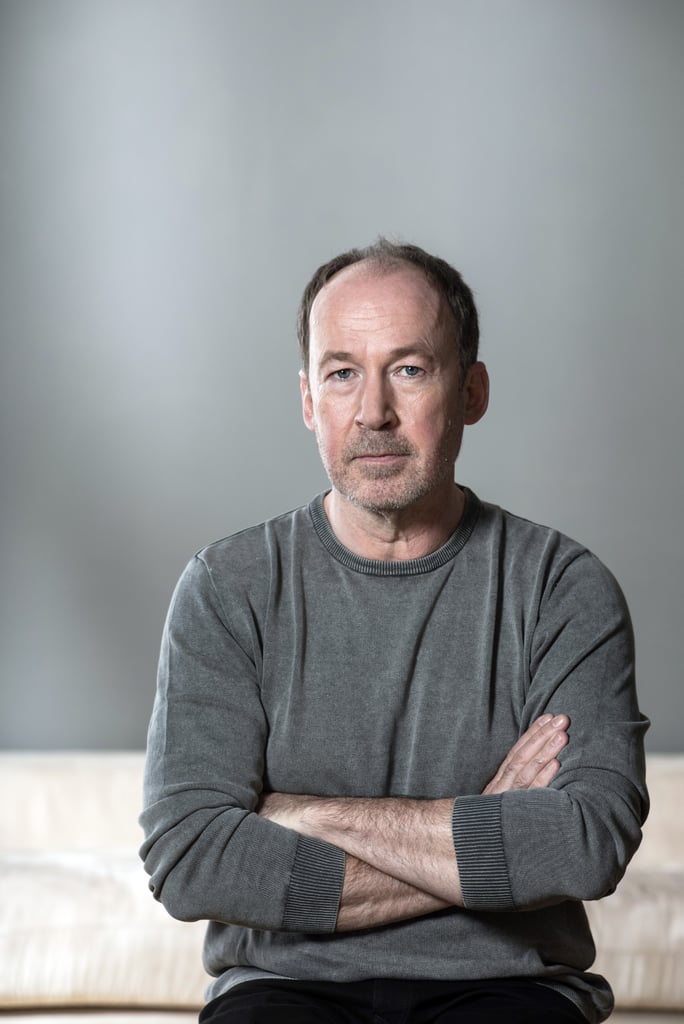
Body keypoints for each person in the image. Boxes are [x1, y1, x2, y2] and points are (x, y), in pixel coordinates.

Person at [140, 240, 649, 1024]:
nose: (373, 411)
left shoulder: (560, 587)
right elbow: (191, 857)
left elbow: (583, 843)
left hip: (513, 989)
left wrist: (300, 812)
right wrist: (481, 825)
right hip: (280, 990)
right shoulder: (228, 587)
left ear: (472, 390)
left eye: (409, 369)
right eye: (343, 373)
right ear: (309, 399)